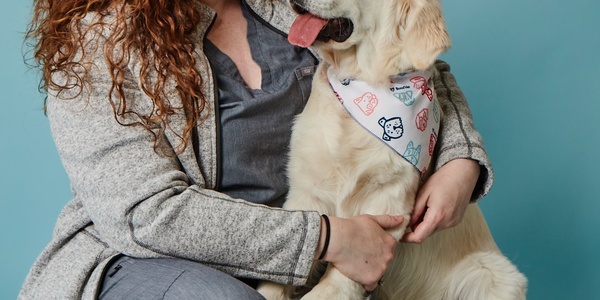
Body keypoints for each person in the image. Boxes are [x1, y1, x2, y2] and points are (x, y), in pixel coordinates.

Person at [20, 0, 493, 299]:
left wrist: (460, 160)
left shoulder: (286, 3)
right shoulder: (95, 40)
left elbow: (414, 67)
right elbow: (147, 214)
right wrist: (325, 238)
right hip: (154, 257)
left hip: (314, 254)